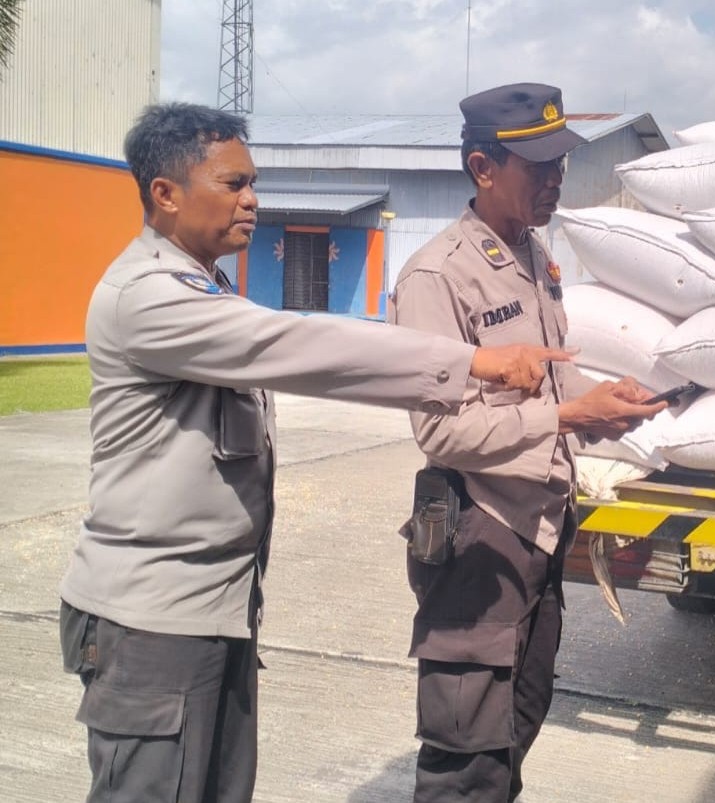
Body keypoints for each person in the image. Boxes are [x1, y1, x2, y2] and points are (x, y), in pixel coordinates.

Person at [57, 102, 573, 803]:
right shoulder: (148, 297)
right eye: (233, 184)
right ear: (166, 193)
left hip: (212, 612)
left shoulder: (205, 283)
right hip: (151, 624)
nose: (252, 199)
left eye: (252, 182)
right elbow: (303, 345)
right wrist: (472, 362)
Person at [391, 82, 665, 802]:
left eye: (560, 164)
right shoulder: (438, 275)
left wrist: (601, 403)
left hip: (540, 530)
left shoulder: (533, 255)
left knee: (520, 716)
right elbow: (440, 428)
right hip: (480, 533)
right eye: (537, 166)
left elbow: (547, 383)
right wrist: (569, 418)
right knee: (467, 753)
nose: (555, 180)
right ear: (483, 168)